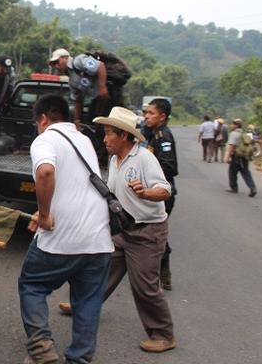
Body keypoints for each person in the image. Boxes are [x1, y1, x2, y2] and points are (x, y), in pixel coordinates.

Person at [18, 94, 113, 364]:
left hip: (62, 238)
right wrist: (43, 211)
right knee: (88, 300)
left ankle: (42, 349)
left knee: (32, 285)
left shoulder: (45, 139)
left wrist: (44, 215)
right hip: (98, 239)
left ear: (43, 118)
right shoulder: (83, 140)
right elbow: (75, 186)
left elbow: (45, 172)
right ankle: (79, 359)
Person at [91, 107, 175, 353]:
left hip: (146, 233)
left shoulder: (144, 158)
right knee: (102, 269)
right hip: (123, 229)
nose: (105, 139)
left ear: (124, 135)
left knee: (145, 287)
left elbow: (165, 189)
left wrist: (146, 192)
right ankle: (85, 306)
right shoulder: (114, 159)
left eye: (109, 133)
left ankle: (164, 335)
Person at [143, 98, 178, 290]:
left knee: (154, 234)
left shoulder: (164, 137)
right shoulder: (150, 133)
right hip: (151, 192)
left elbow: (169, 166)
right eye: (146, 113)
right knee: (151, 232)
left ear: (162, 116)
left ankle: (159, 274)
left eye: (151, 113)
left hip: (161, 194)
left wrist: (148, 178)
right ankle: (160, 273)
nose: (146, 116)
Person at [225, 119, 257, 197]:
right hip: (244, 156)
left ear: (236, 125)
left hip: (236, 156)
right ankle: (252, 188)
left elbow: (232, 146)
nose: (231, 125)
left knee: (232, 172)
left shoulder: (233, 133)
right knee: (246, 172)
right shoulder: (245, 133)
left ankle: (234, 188)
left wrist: (228, 157)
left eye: (233, 124)